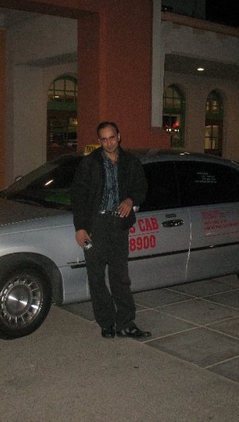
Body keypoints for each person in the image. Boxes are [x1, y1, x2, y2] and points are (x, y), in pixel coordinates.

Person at [71, 121, 151, 339]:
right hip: (95, 225)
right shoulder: (89, 163)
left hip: (118, 225)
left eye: (112, 138)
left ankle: (126, 322)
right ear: (99, 141)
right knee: (96, 276)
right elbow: (78, 197)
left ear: (119, 136)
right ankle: (106, 322)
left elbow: (141, 188)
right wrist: (80, 228)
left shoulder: (131, 163)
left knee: (120, 276)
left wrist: (130, 199)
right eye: (104, 139)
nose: (109, 143)